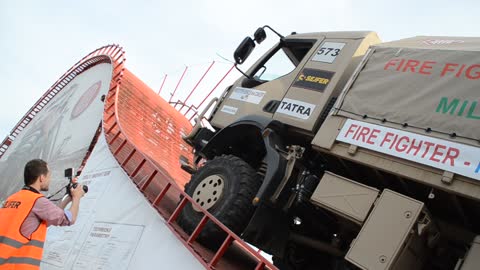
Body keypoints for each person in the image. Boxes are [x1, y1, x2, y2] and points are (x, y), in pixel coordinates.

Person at [0, 159, 85, 269]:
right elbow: (69, 219)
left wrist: (68, 198)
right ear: (41, 177)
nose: (50, 179)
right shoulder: (37, 201)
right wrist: (77, 197)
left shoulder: (13, 198)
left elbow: (47, 218)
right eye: (49, 176)